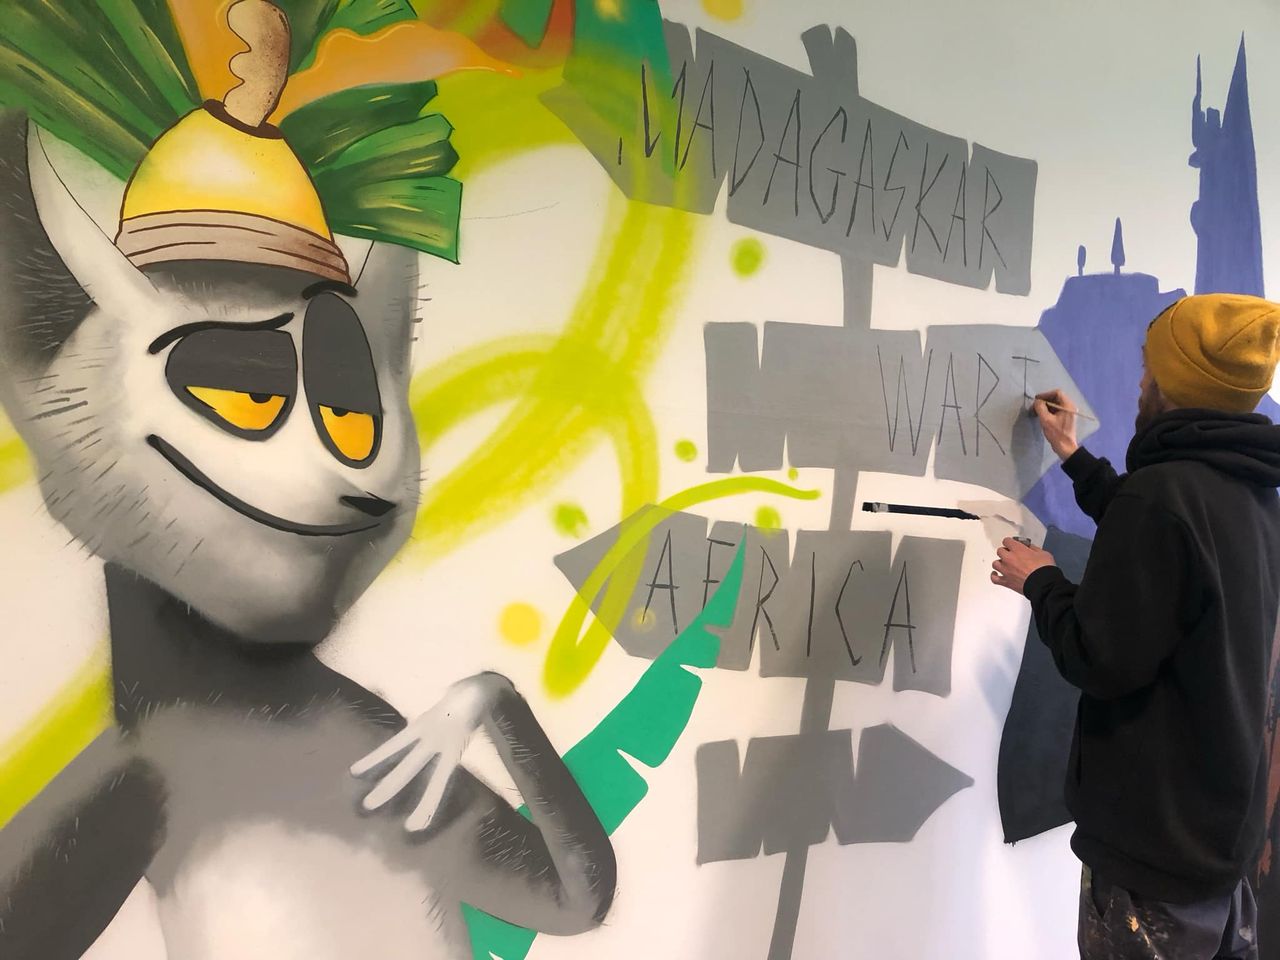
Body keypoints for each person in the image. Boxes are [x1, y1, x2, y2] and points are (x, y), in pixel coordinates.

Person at [991, 293, 1280, 960]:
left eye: (1150, 367)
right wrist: (1073, 456)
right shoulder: (1251, 491)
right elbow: (1160, 543)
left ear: (1177, 384)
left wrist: (1041, 579)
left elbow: (1097, 657)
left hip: (1152, 860)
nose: (1139, 381)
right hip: (1219, 842)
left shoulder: (1164, 496)